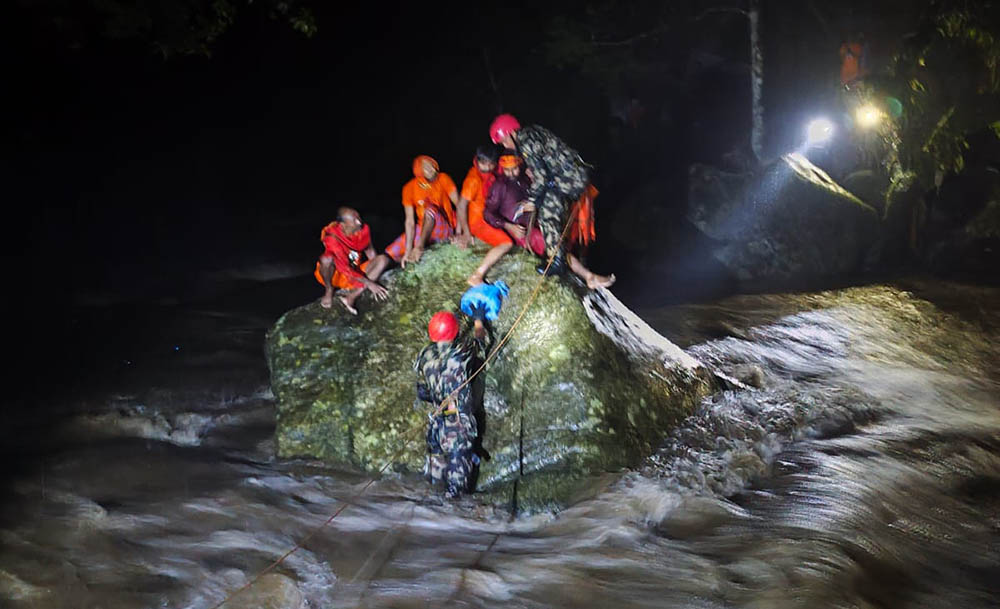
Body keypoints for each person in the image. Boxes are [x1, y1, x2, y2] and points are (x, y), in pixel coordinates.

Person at [483, 153, 614, 289]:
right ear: (502, 168)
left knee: (560, 236)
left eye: (514, 168)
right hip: (521, 231)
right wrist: (508, 226)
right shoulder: (499, 186)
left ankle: (581, 269)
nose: (511, 172)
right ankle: (588, 276)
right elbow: (488, 213)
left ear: (519, 165)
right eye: (507, 169)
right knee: (556, 248)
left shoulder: (525, 180)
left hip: (534, 223)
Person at [489, 113, 590, 277]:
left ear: (510, 133)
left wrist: (531, 201)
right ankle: (557, 259)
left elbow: (541, 177)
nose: (505, 145)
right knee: (549, 209)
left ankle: (557, 262)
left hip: (570, 178)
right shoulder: (531, 133)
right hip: (571, 175)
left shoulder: (526, 142)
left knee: (546, 213)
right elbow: (544, 163)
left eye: (504, 141)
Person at [414, 310, 493, 499]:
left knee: (433, 486)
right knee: (455, 492)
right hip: (458, 428)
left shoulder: (424, 355)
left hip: (436, 428)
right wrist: (479, 321)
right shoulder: (460, 353)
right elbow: (482, 343)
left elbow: (422, 389)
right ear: (455, 333)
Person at [385, 155, 461, 267]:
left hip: (443, 228)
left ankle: (420, 247)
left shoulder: (443, 179)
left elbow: (460, 205)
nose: (431, 168)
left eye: (432, 164)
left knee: (429, 210)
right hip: (423, 230)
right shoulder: (409, 188)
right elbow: (410, 221)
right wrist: (408, 250)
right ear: (419, 171)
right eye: (426, 167)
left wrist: (458, 233)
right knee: (389, 254)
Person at [313, 207, 390, 314]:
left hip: (355, 271)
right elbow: (345, 269)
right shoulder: (332, 237)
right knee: (326, 259)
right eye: (354, 220)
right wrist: (370, 283)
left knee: (383, 259)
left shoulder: (363, 229)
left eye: (359, 218)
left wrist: (376, 271)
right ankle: (329, 290)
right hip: (337, 274)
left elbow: (370, 250)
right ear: (343, 225)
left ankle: (350, 297)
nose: (359, 222)